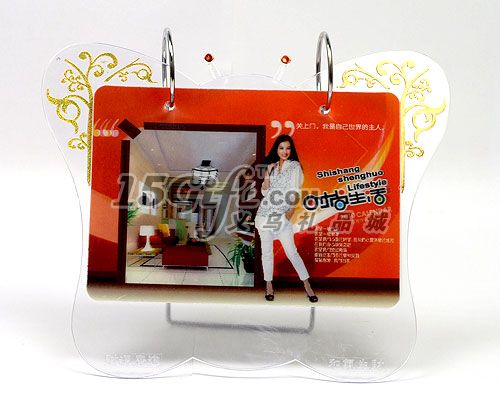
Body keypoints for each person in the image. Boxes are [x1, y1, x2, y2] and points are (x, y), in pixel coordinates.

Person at [254, 134, 318, 303]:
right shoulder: (273, 167)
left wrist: (290, 212)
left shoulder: (294, 166)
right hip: (265, 214)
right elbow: (265, 192)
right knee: (267, 253)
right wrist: (267, 173)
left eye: (288, 148)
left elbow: (295, 190)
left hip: (282, 216)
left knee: (291, 252)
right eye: (281, 148)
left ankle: (307, 285)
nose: (285, 151)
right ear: (276, 149)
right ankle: (269, 286)